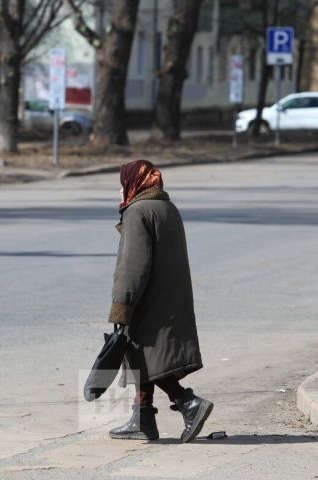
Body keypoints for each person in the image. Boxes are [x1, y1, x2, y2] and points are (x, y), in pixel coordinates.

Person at [108, 159, 213, 443]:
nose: (120, 190)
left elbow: (132, 265)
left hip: (147, 297)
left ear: (133, 183)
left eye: (122, 184)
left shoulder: (136, 212)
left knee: (144, 354)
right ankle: (142, 418)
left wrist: (122, 305)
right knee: (147, 354)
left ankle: (188, 403)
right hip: (170, 294)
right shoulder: (167, 207)